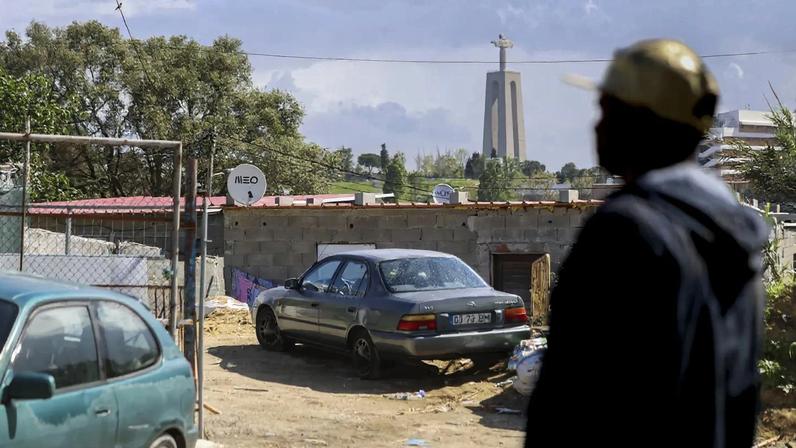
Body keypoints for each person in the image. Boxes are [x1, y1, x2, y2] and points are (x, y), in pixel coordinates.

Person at [525, 39, 767, 448]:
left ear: (640, 120)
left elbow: (569, 401)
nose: (596, 126)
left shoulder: (626, 231)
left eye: (606, 110)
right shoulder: (738, 237)